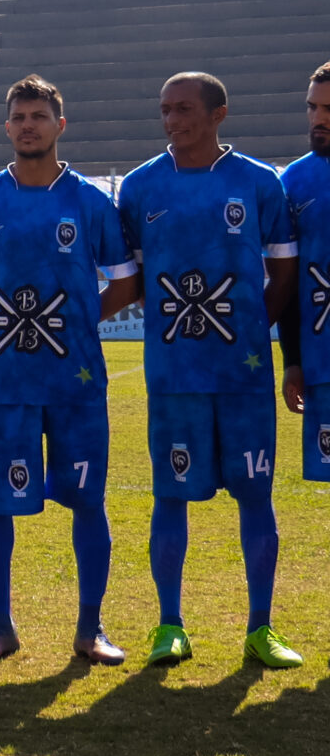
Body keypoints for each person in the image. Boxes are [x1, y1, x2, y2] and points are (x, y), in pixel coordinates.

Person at [0, 77, 139, 664]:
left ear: (61, 124)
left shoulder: (91, 202)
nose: (27, 125)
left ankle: (91, 628)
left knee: (88, 502)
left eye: (38, 115)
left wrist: (77, 319)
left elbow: (126, 281)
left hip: (75, 382)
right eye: (18, 117)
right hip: (4, 383)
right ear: (6, 127)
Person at [121, 72, 297, 666]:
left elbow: (285, 274)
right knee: (169, 495)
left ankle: (261, 628)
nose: (173, 120)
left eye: (186, 109)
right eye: (165, 109)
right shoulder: (142, 187)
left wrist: (250, 330)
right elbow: (135, 280)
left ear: (219, 113)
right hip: (174, 377)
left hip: (243, 377)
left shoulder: (258, 183)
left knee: (257, 496)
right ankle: (170, 624)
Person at [283, 64, 330, 494]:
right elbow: (288, 283)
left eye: (329, 109)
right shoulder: (293, 182)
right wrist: (292, 361)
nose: (319, 118)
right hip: (322, 363)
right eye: (312, 107)